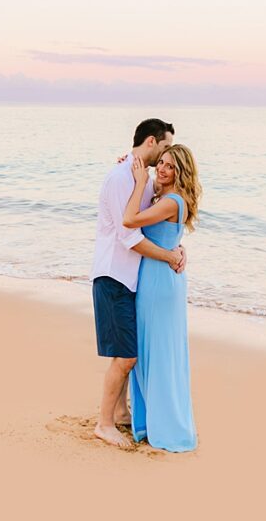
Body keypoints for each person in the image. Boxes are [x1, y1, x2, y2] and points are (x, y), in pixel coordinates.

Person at [90, 119, 186, 448]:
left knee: (126, 351)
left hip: (132, 278)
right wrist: (169, 257)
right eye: (164, 147)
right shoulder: (122, 177)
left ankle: (120, 414)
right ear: (150, 142)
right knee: (127, 356)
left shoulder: (142, 178)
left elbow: (159, 219)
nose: (166, 154)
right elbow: (129, 235)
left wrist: (175, 245)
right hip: (114, 274)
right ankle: (104, 424)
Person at [123, 144, 201, 452]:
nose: (162, 169)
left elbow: (130, 220)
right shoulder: (167, 197)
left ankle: (167, 428)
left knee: (158, 353)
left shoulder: (172, 201)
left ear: (181, 172)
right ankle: (151, 421)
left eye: (170, 166)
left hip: (158, 282)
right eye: (162, 163)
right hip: (158, 277)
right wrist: (129, 165)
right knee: (152, 350)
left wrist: (140, 182)